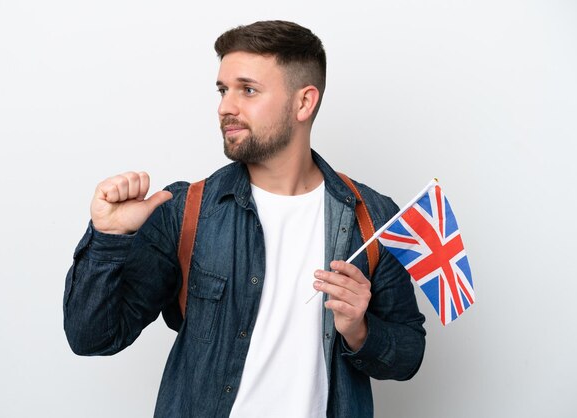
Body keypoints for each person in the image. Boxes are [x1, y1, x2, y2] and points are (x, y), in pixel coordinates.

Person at [64, 20, 425, 418]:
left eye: (248, 90)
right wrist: (109, 238)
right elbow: (91, 337)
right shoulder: (187, 210)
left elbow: (408, 356)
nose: (225, 107)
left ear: (303, 102)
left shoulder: (372, 217)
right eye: (223, 90)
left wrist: (359, 329)